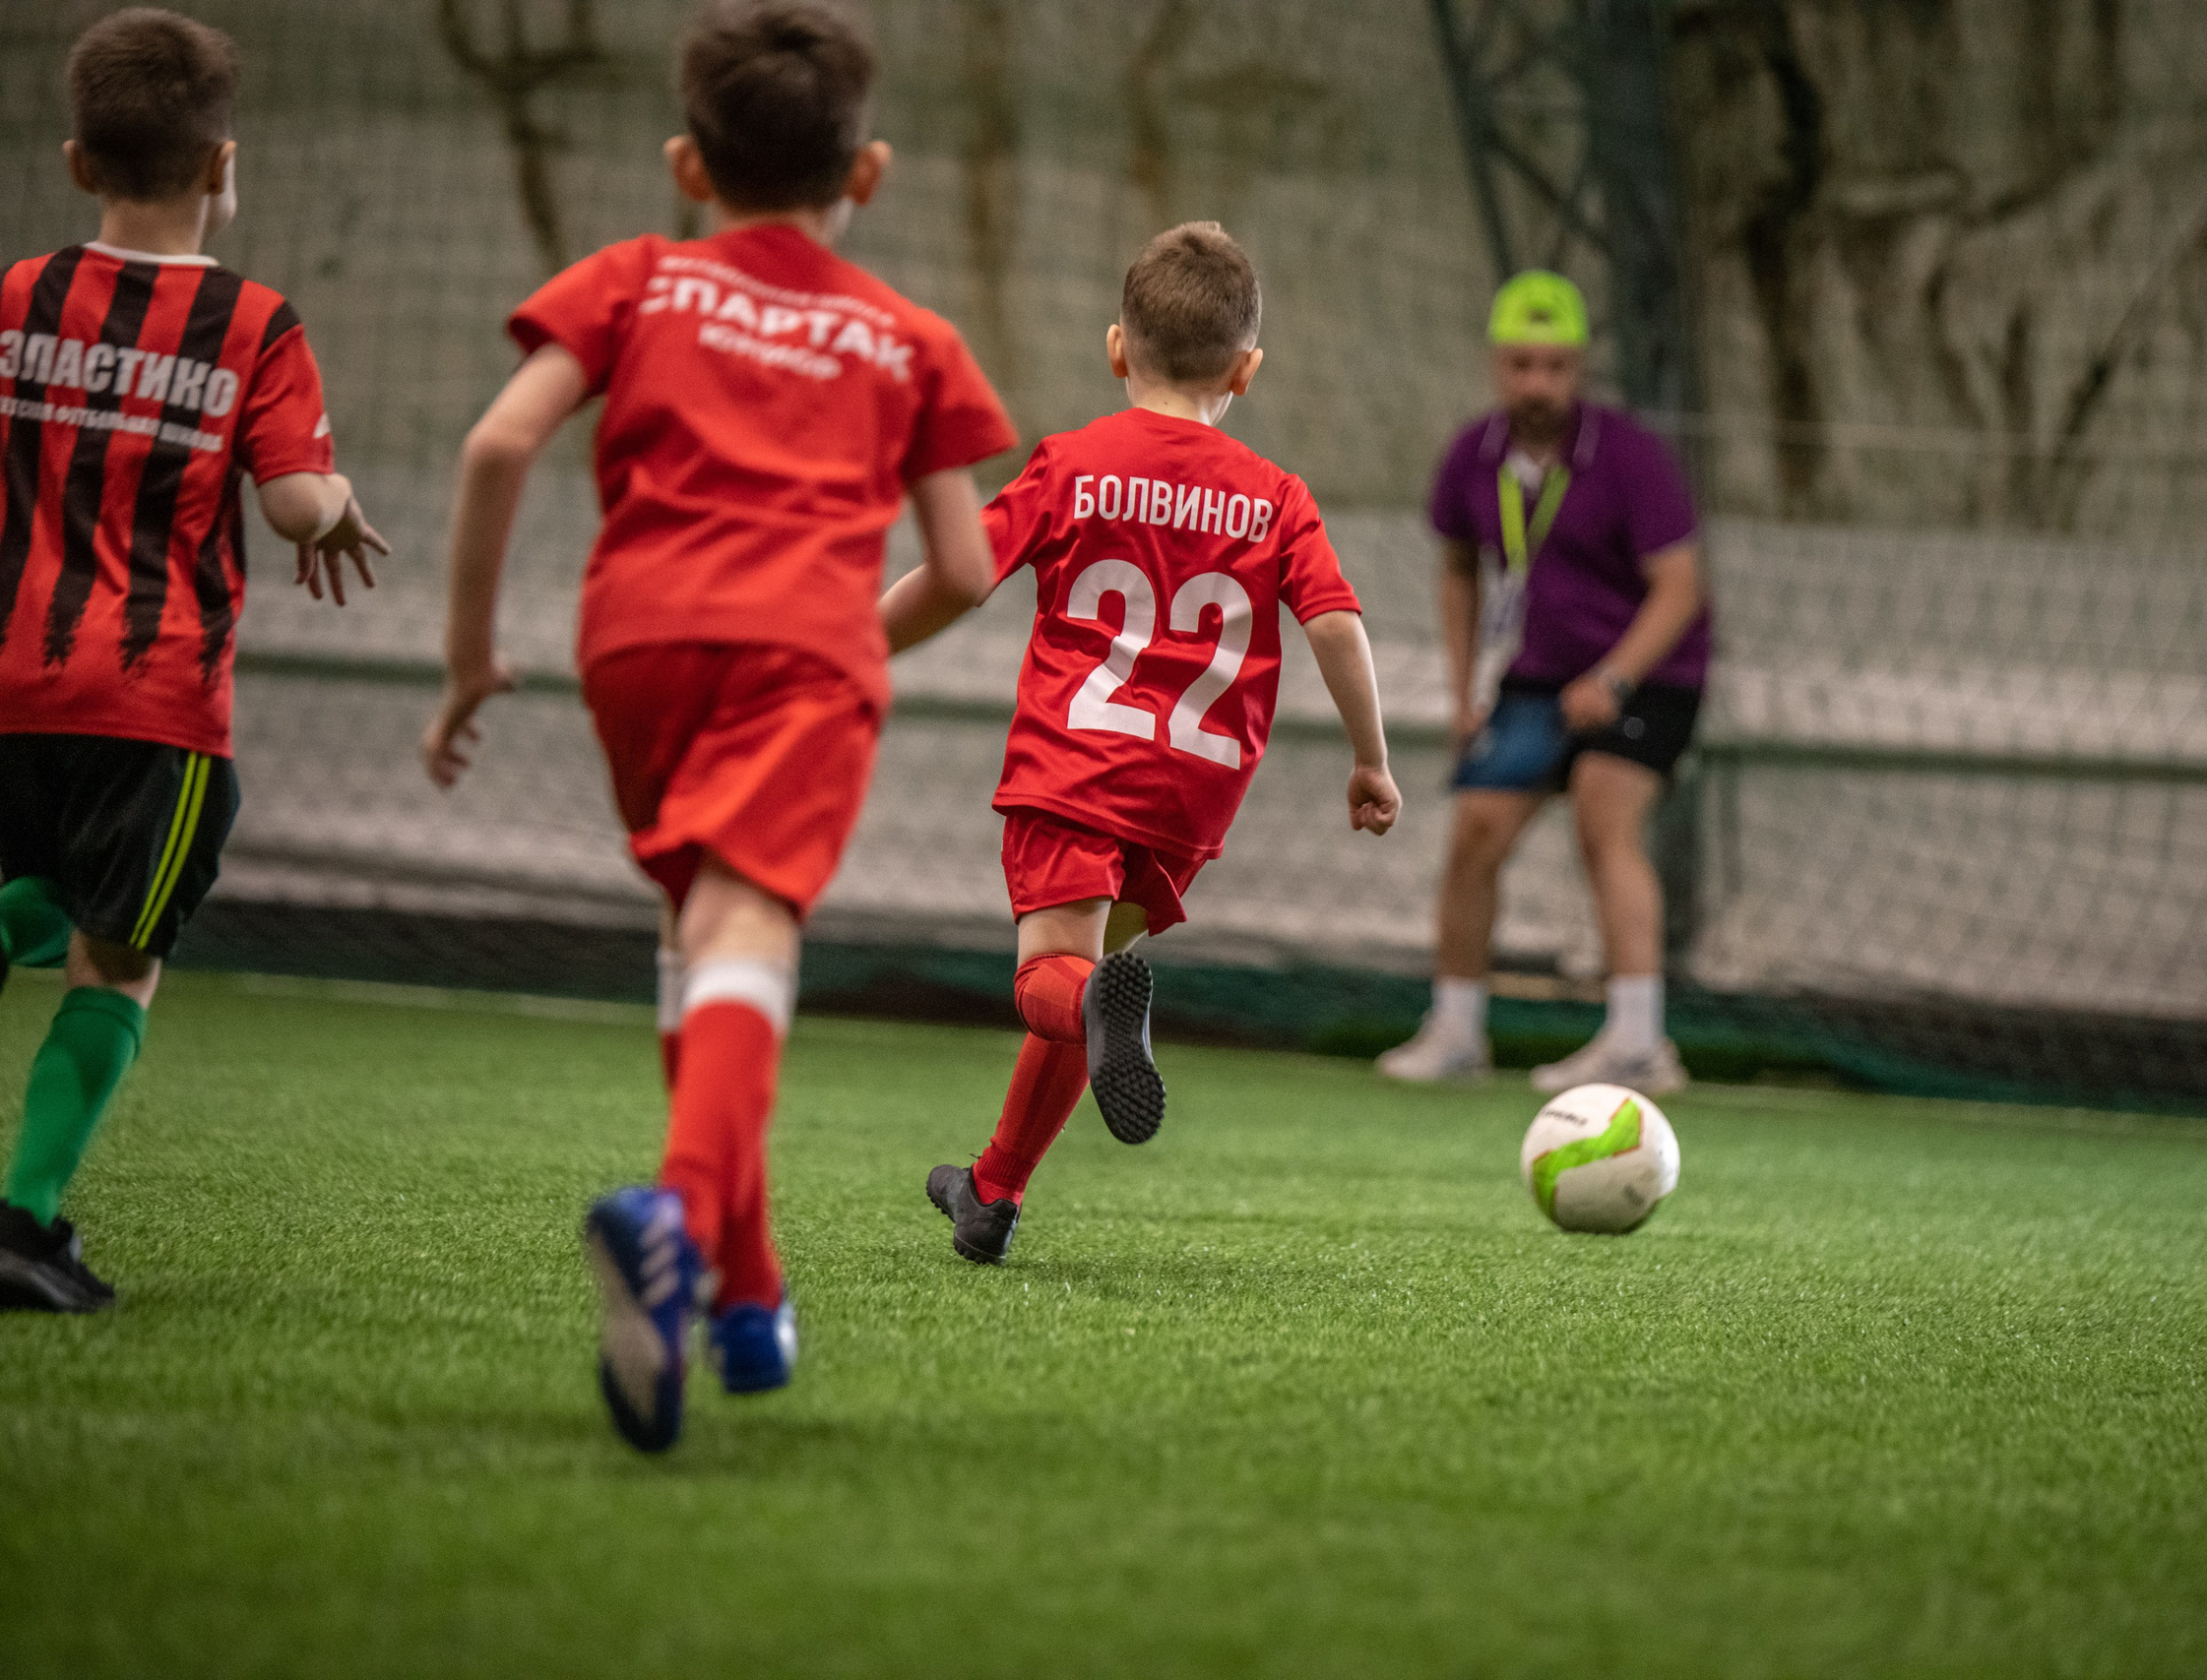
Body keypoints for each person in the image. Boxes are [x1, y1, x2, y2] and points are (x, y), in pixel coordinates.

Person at [419, 0, 1013, 1449]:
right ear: (863, 174)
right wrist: (836, 647)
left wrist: (468, 656)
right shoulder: (908, 336)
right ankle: (683, 1226)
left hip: (633, 646)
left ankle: (751, 1296)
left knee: (706, 935)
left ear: (690, 163)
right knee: (751, 929)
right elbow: (972, 562)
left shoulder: (634, 279)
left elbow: (499, 440)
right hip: (799, 655)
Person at [885, 221, 1401, 1267]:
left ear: (1116, 347)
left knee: (1053, 980)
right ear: (1246, 372)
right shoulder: (1276, 496)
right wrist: (1369, 758)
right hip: (1190, 792)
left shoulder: (1073, 465)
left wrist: (844, 648)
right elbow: (1336, 623)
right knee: (1098, 978)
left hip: (1075, 768)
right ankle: (991, 1193)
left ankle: (1093, 1024)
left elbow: (955, 574)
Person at [0, 9, 387, 1313]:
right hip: (153, 701)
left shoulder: (15, 299)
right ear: (223, 165)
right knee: (118, 955)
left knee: (38, 892)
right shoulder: (252, 321)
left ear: (74, 161)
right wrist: (336, 497)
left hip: (11, 686)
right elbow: (288, 505)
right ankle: (21, 1218)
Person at [1376, 271, 1708, 1095]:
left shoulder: (1631, 456)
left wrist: (1615, 679)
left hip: (1651, 675)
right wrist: (1463, 695)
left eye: (1555, 366)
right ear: (1498, 365)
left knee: (1604, 812)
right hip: (1537, 679)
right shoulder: (1471, 456)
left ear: (1579, 368)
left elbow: (1681, 587)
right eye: (1522, 364)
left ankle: (1638, 1043)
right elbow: (1460, 571)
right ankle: (1456, 1030)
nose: (1538, 383)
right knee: (1476, 830)